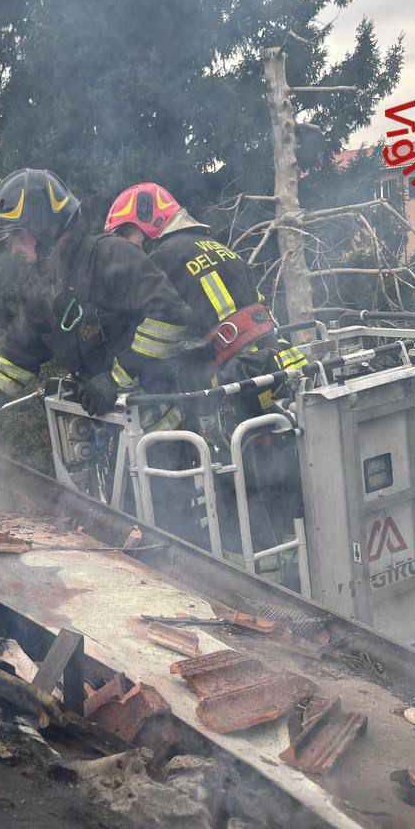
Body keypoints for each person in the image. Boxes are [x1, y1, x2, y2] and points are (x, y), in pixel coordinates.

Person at [103, 182, 308, 577]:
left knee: (233, 491)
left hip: (229, 387)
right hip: (272, 371)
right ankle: (292, 570)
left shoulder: (162, 261)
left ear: (148, 222)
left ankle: (251, 587)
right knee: (274, 479)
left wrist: (114, 379)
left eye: (129, 237)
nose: (131, 251)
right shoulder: (222, 249)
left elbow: (159, 333)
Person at [0, 168, 195, 460]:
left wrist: (116, 379)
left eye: (17, 235)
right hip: (116, 440)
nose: (13, 248)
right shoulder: (41, 293)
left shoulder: (110, 255)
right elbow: (13, 363)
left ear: (45, 228)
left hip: (167, 432)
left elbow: (170, 315)